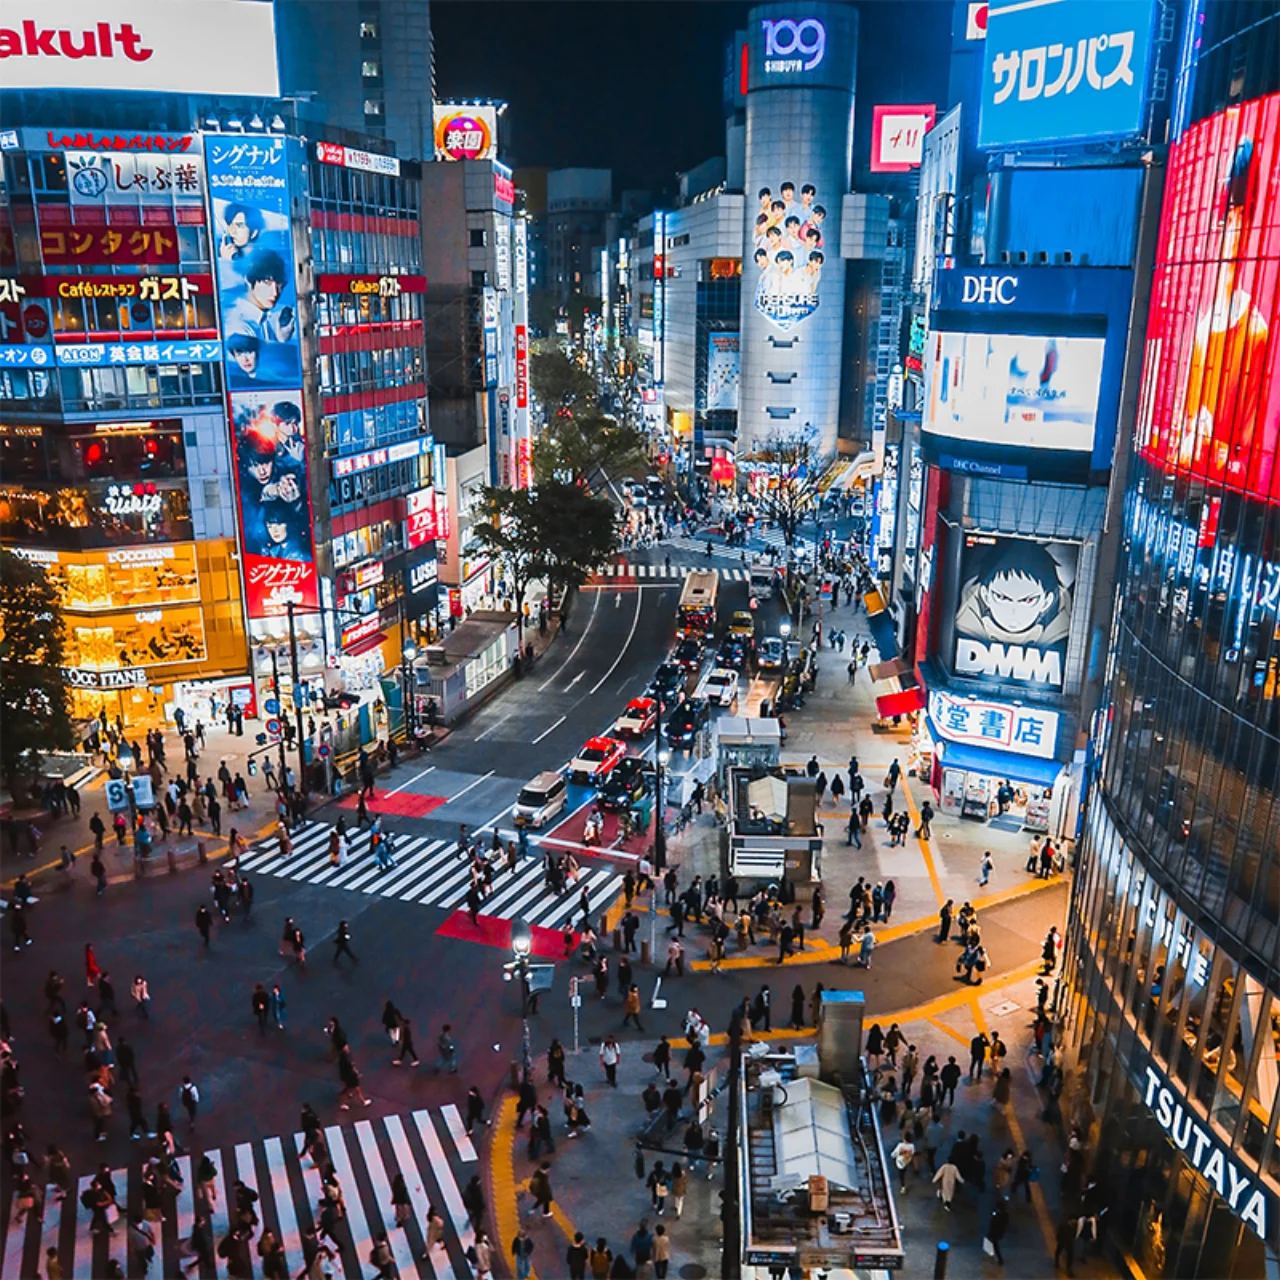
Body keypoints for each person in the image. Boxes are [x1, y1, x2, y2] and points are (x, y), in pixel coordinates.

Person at [985, 1200, 1010, 1265]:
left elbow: (993, 1224)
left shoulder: (997, 1216)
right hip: (1000, 1232)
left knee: (995, 1245)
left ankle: (999, 1259)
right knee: (995, 1244)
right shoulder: (1005, 1215)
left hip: (995, 1232)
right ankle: (997, 1257)